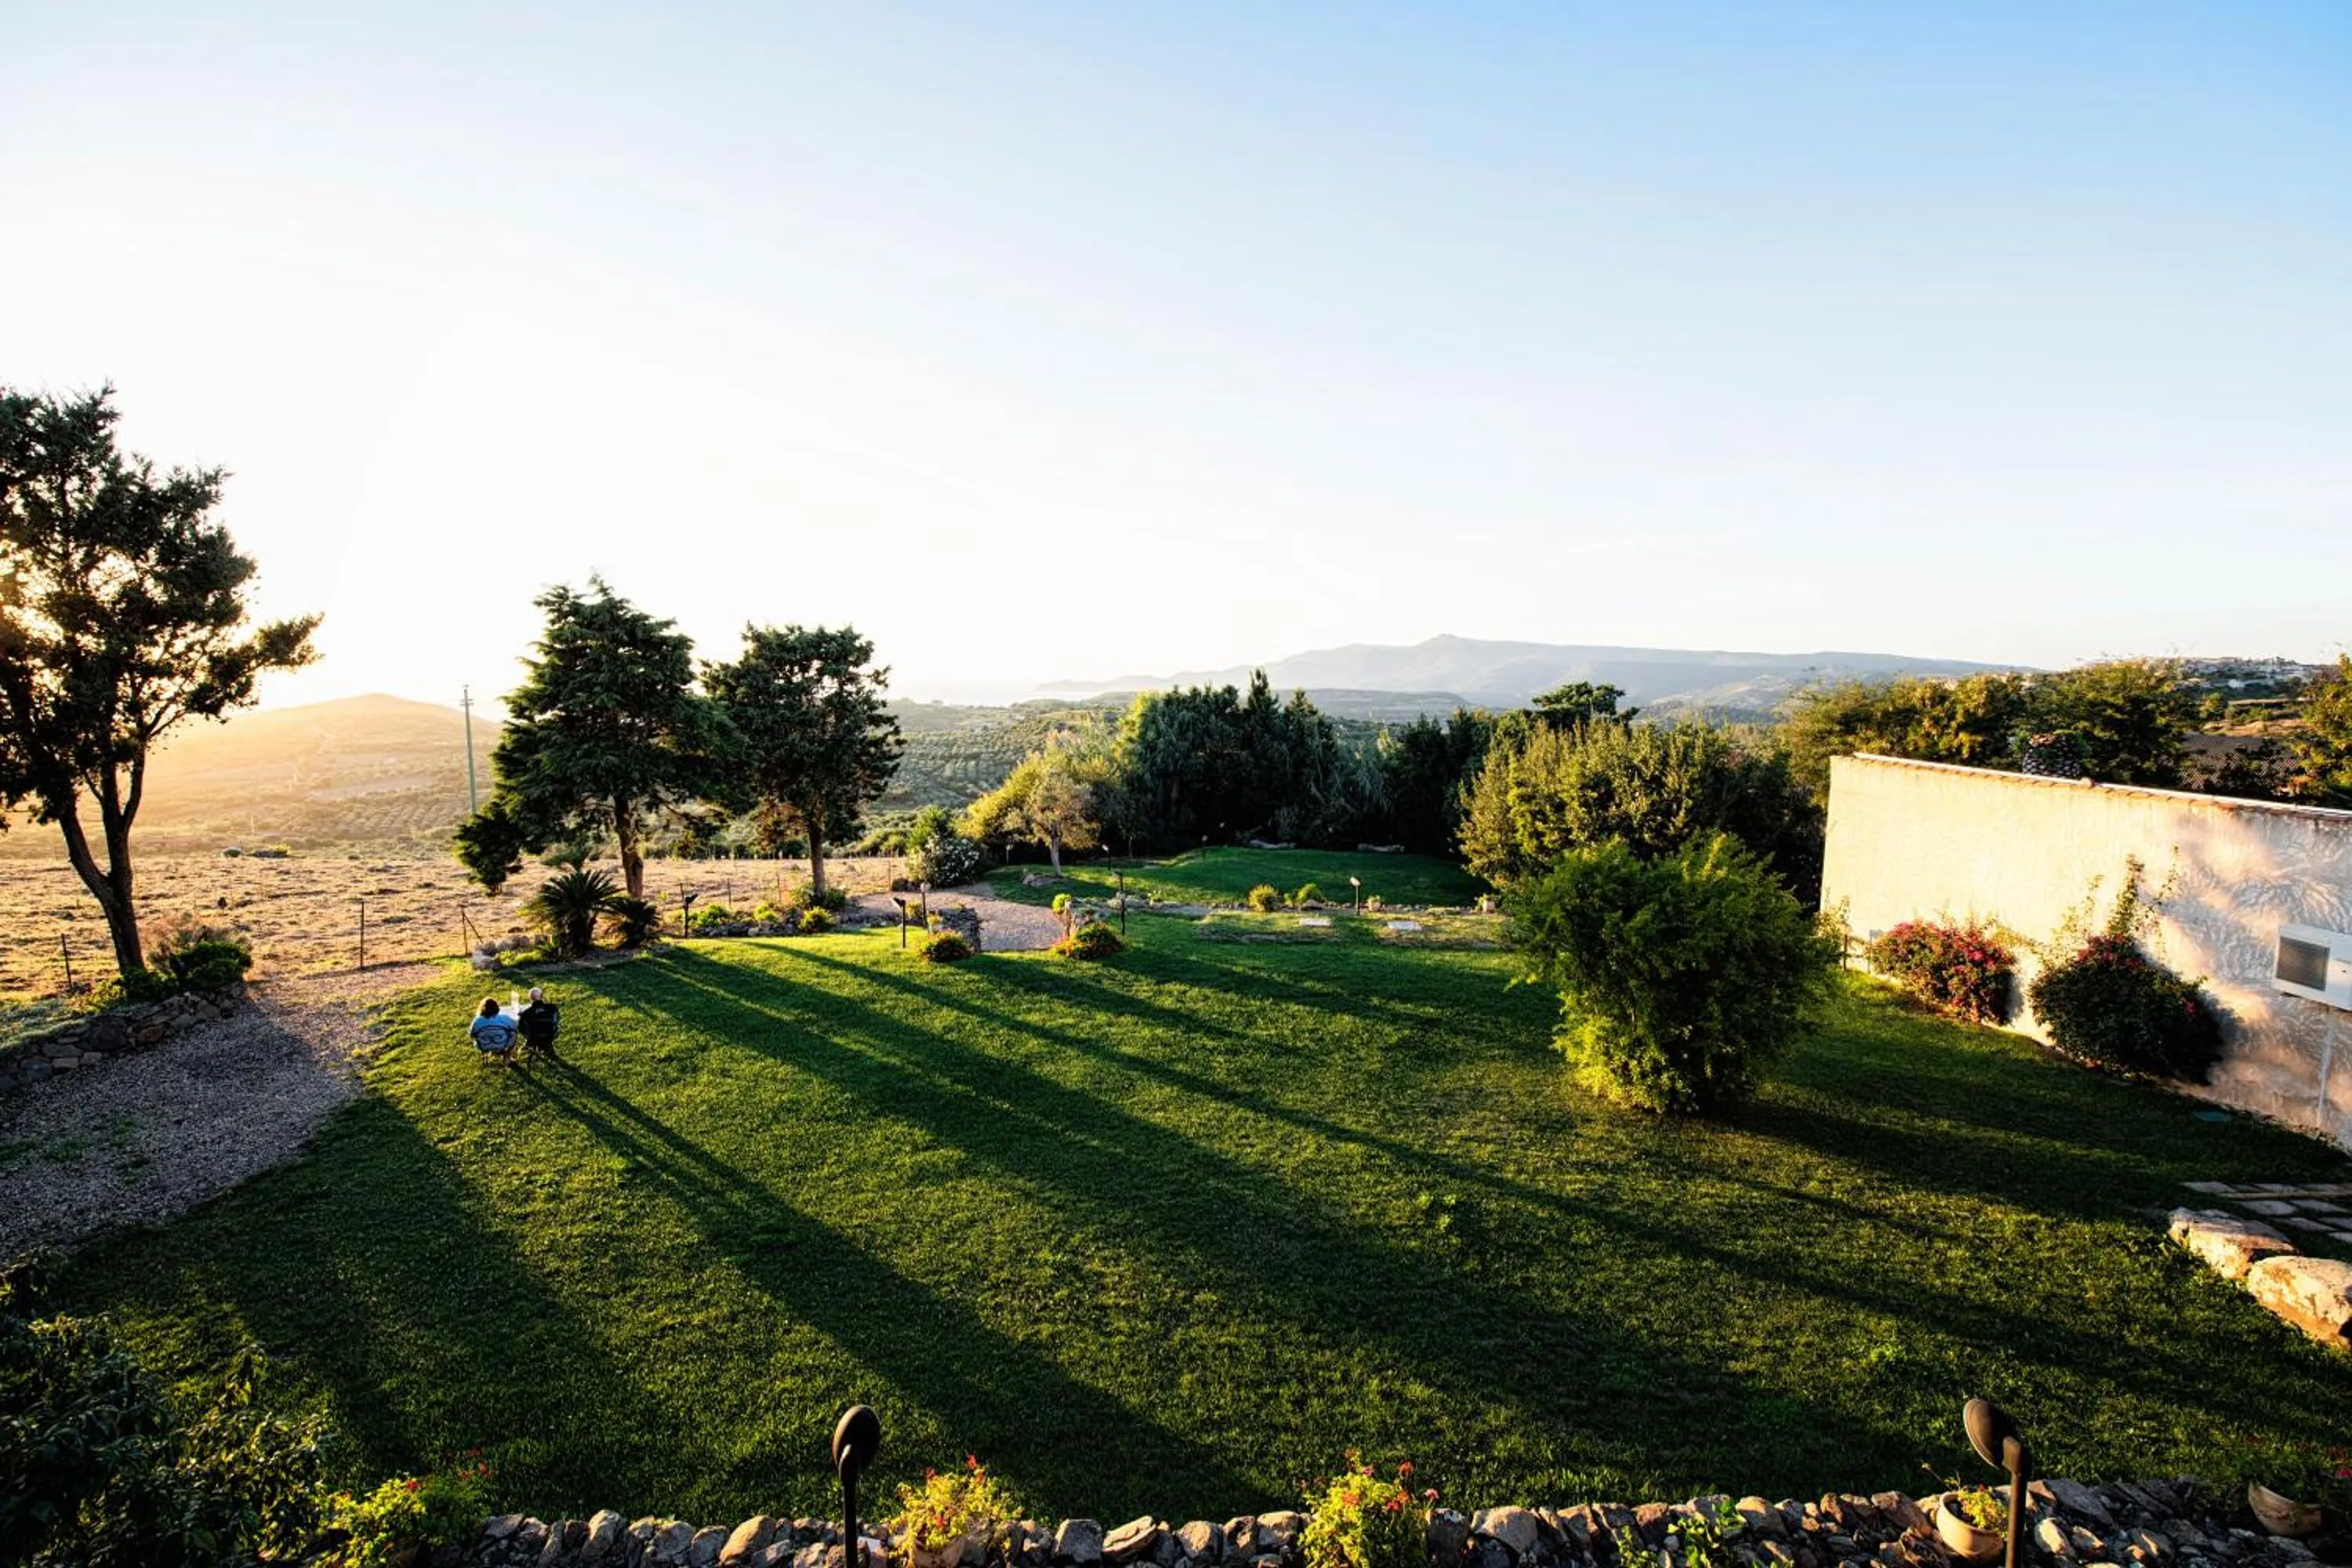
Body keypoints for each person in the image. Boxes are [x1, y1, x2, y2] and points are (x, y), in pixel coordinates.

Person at [469, 996, 520, 1066]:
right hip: (502, 1044)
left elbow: (471, 1034)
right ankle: (507, 1058)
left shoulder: (477, 1021)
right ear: (497, 1008)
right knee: (514, 1034)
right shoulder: (504, 1018)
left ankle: (489, 1053)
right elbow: (515, 1028)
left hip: (483, 1045)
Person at [517, 985, 561, 1061]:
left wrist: (522, 1017)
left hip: (532, 1038)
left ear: (530, 999)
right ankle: (548, 1047)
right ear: (542, 996)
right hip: (549, 1036)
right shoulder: (552, 1008)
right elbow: (556, 1022)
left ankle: (530, 1045)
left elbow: (521, 1028)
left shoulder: (527, 1012)